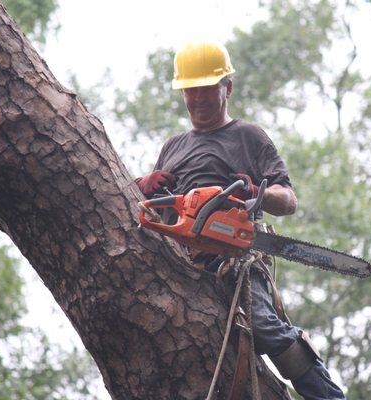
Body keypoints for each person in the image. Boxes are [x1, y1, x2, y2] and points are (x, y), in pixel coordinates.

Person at [135, 41, 346, 400]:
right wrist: (142, 186)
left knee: (265, 327)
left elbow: (288, 200)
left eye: (206, 89)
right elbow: (151, 212)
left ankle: (328, 396)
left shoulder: (248, 137)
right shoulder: (173, 147)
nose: (198, 99)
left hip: (234, 261)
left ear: (227, 88)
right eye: (191, 90)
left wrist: (257, 195)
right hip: (181, 263)